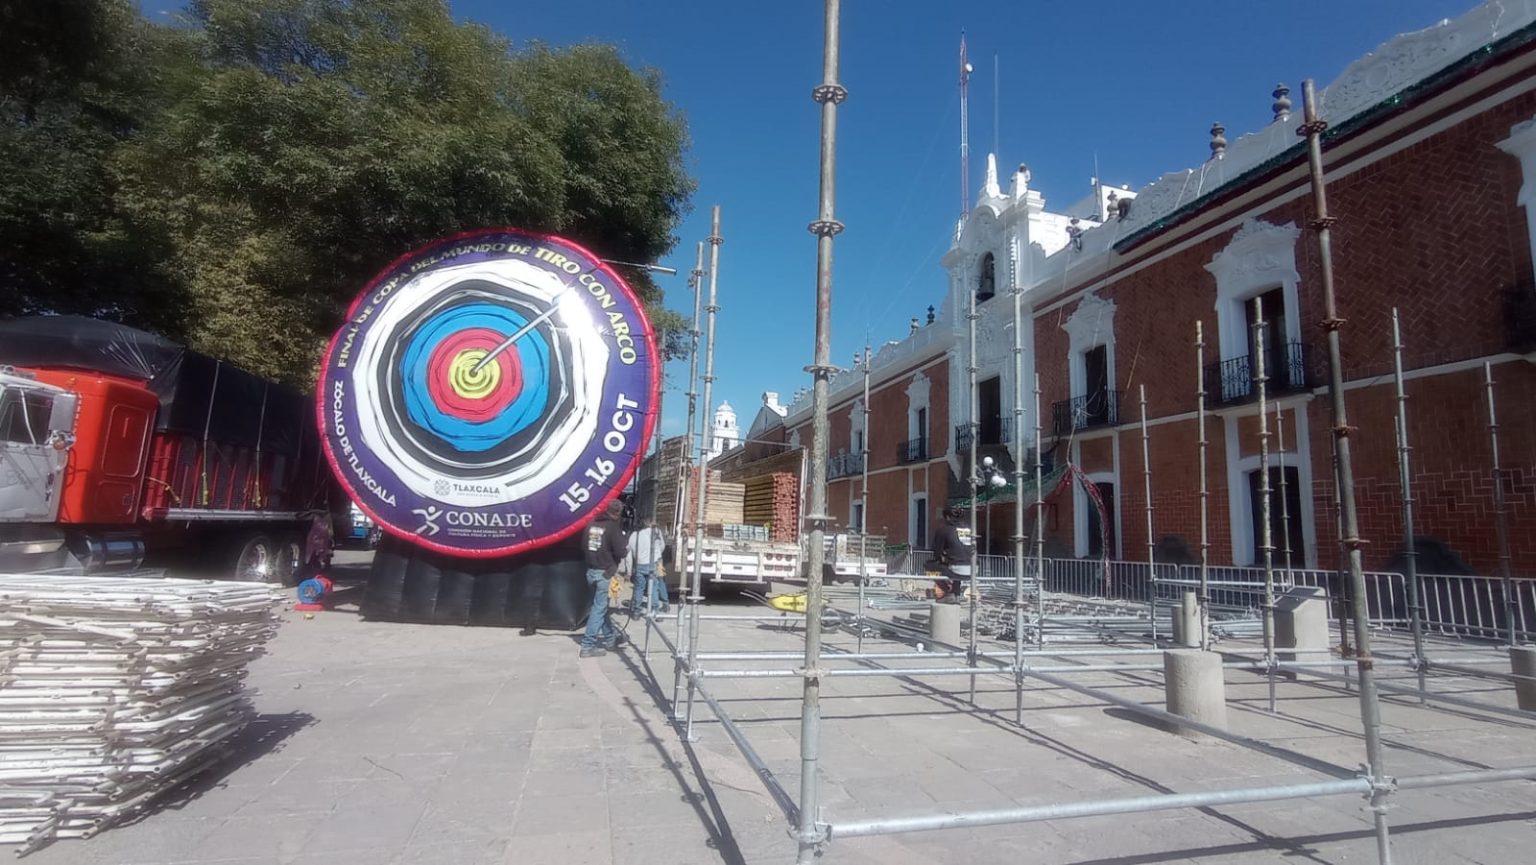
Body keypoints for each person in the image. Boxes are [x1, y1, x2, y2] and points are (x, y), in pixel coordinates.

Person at [580, 500, 629, 658]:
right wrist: (625, 542)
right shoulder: (613, 527)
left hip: (590, 571)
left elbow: (582, 546)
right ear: (618, 513)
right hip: (604, 573)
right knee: (598, 609)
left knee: (601, 608)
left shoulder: (591, 524)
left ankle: (610, 639)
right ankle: (587, 645)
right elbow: (621, 552)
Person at [929, 505, 974, 604]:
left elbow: (936, 552)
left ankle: (949, 594)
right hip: (974, 568)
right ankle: (956, 594)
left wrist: (942, 558)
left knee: (930, 566)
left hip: (958, 568)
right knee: (956, 565)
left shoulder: (944, 530)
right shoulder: (970, 529)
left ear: (947, 517)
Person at [626, 518, 670, 616]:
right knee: (654, 587)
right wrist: (657, 556)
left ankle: (636, 610)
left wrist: (628, 572)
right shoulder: (656, 532)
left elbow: (628, 555)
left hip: (639, 564)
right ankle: (655, 609)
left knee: (639, 588)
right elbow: (662, 546)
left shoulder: (634, 535)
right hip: (653, 563)